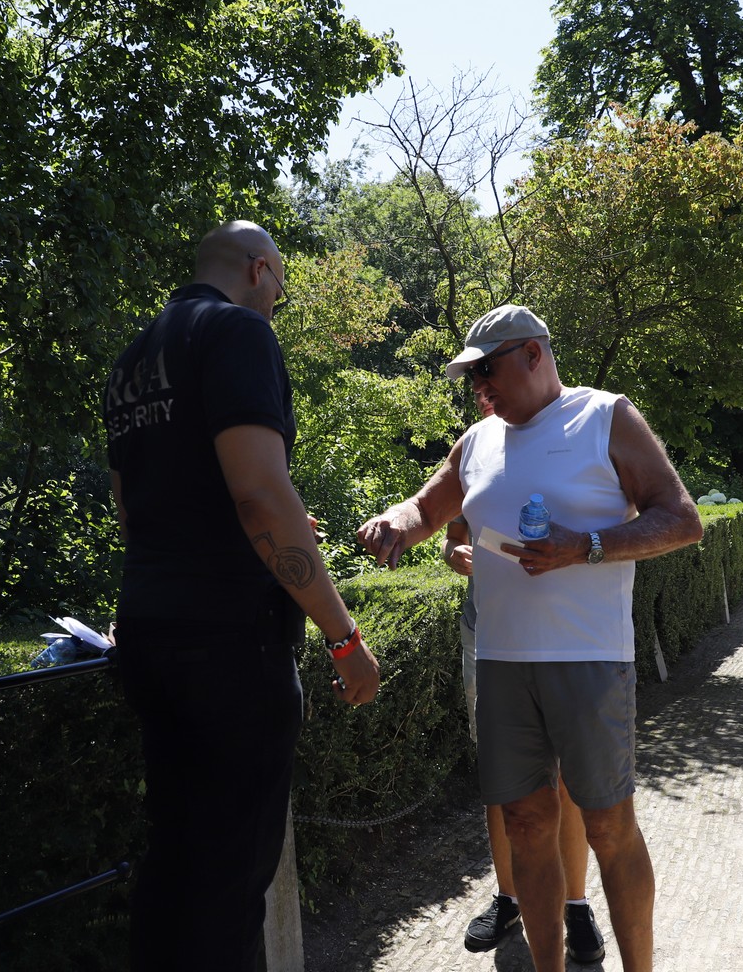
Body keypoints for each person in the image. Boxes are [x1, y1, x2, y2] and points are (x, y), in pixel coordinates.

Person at [357, 305, 702, 972]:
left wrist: (587, 546)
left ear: (534, 354)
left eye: (487, 369)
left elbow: (682, 519)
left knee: (607, 827)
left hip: (589, 659)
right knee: (525, 824)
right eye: (471, 376)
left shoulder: (604, 416)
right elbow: (426, 508)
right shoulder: (476, 442)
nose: (479, 386)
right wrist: (394, 521)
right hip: (501, 663)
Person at [103, 221, 380, 972]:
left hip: (150, 629)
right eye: (280, 286)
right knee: (231, 879)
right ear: (260, 269)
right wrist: (344, 637)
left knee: (174, 860)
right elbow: (259, 494)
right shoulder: (239, 332)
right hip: (230, 642)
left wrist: (255, 532)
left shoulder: (134, 359)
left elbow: (138, 510)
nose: (277, 301)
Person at [441, 387, 603, 962]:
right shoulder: (473, 453)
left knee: (566, 779)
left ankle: (576, 905)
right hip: (488, 634)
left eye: (497, 389)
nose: (489, 403)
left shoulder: (569, 442)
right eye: (481, 394)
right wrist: (455, 555)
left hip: (563, 638)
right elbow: (452, 537)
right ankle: (509, 898)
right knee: (503, 779)